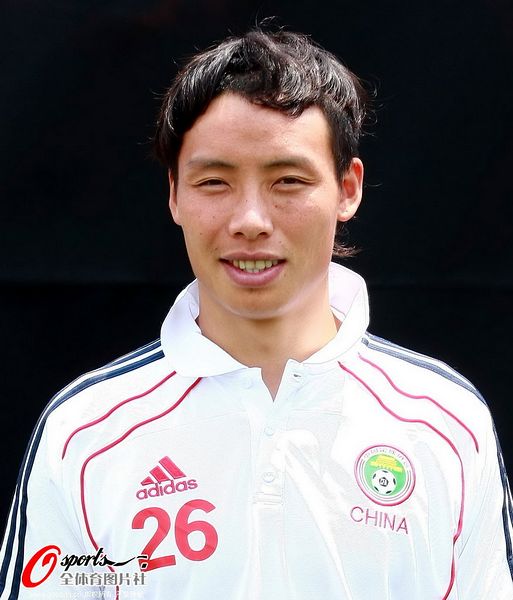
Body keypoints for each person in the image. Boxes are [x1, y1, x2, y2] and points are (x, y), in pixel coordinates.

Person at [1, 28, 512, 600]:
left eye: (288, 181)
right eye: (214, 182)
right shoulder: (86, 434)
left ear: (347, 188)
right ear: (174, 194)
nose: (250, 220)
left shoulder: (447, 423)